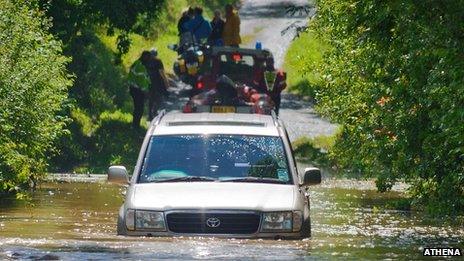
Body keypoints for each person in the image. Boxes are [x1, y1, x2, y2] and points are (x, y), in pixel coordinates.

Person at [128, 51, 151, 128]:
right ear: (144, 57)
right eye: (148, 58)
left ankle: (135, 125)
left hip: (134, 89)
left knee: (137, 107)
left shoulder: (137, 63)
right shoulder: (140, 66)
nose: (149, 60)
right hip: (137, 90)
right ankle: (135, 125)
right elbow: (141, 81)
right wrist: (146, 92)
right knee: (139, 108)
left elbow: (144, 78)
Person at [146, 48, 169, 119]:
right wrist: (166, 82)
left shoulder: (146, 62)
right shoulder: (158, 61)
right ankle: (155, 112)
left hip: (148, 82)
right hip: (158, 82)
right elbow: (161, 72)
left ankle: (149, 114)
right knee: (159, 98)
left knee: (151, 98)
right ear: (156, 54)